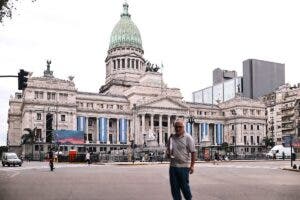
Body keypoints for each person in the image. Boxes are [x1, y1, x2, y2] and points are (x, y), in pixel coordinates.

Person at [167, 118, 196, 200]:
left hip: (183, 167)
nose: (178, 129)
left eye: (180, 126)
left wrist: (192, 166)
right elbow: (168, 149)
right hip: (173, 167)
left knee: (185, 188)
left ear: (184, 127)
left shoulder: (188, 138)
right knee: (174, 189)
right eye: (176, 127)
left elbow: (193, 152)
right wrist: (168, 153)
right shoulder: (172, 137)